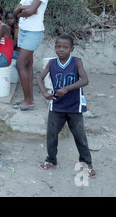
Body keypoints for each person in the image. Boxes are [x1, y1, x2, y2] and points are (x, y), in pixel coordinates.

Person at [37, 35, 96, 178]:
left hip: (74, 106)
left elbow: (85, 80)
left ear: (71, 49)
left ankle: (86, 163)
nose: (61, 49)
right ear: (55, 47)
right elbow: (39, 78)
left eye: (65, 47)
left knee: (79, 136)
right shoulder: (51, 63)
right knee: (51, 135)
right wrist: (44, 92)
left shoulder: (76, 62)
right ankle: (51, 159)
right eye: (58, 46)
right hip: (57, 105)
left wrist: (67, 89)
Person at [13, 0, 49, 111]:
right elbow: (15, 12)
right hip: (23, 31)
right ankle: (29, 99)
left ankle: (28, 102)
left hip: (33, 32)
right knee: (27, 65)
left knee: (20, 64)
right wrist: (22, 10)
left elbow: (32, 11)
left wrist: (23, 10)